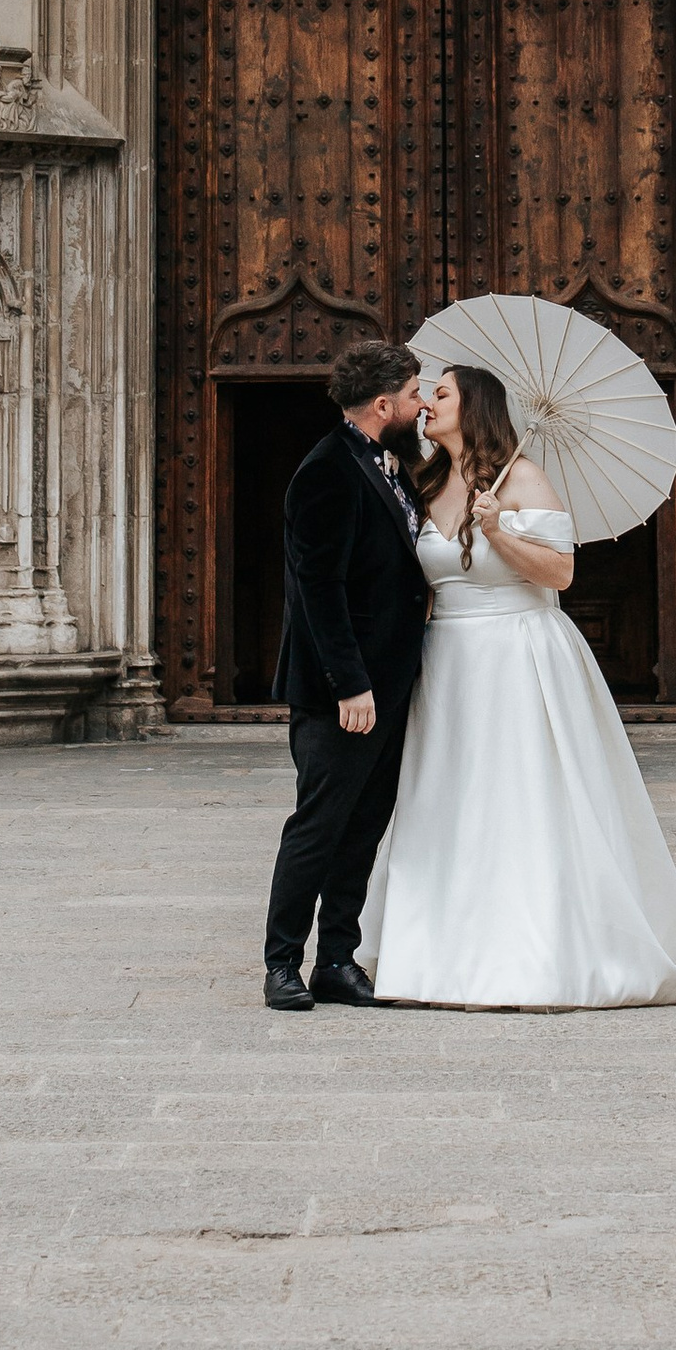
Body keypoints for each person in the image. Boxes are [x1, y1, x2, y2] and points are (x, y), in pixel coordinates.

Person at [359, 360, 676, 1009]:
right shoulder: (424, 479)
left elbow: (558, 573)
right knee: (445, 798)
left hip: (518, 656)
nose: (428, 403)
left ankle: (537, 943)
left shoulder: (522, 477)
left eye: (442, 395)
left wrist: (496, 527)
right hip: (446, 667)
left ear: (477, 409)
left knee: (521, 796)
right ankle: (433, 943)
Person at [261, 339, 431, 1012]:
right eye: (416, 395)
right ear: (384, 402)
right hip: (346, 693)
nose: (421, 407)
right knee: (319, 825)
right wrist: (349, 685)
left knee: (363, 826)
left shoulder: (390, 464)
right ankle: (281, 965)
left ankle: (337, 957)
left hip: (390, 686)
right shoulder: (327, 470)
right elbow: (318, 590)